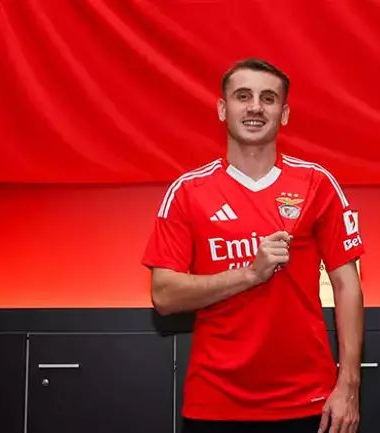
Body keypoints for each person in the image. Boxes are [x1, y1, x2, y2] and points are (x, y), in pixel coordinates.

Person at [142, 58, 364, 433]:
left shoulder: (317, 183)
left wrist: (349, 386)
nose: (255, 107)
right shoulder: (188, 192)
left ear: (284, 113)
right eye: (243, 96)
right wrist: (250, 274)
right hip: (215, 405)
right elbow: (163, 295)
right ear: (222, 108)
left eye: (268, 98)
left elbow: (347, 285)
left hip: (308, 402)